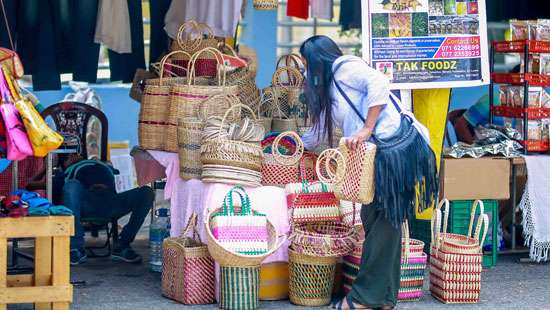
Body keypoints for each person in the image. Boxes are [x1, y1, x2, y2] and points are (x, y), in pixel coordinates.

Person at [299, 36, 437, 310]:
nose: (305, 70)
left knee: (386, 219)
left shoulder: (345, 67)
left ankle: (362, 298)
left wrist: (367, 129)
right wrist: (289, 142)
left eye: (305, 62)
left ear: (317, 59)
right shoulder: (330, 85)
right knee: (375, 218)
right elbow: (316, 134)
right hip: (382, 154)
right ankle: (385, 299)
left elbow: (380, 83)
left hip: (394, 150)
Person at [32, 154, 154, 265]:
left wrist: (101, 163)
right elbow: (31, 185)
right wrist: (47, 168)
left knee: (146, 192)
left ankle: (123, 245)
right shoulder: (65, 174)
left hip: (111, 201)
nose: (75, 156)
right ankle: (76, 248)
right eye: (70, 156)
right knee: (72, 185)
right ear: (64, 163)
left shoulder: (102, 165)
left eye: (77, 154)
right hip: (87, 203)